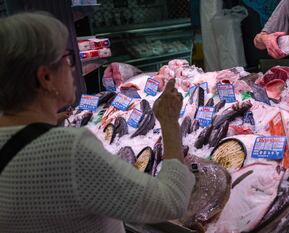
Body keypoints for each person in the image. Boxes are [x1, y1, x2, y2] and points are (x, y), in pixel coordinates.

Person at [0, 12, 195, 233]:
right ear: (45, 77)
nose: (72, 68)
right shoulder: (69, 150)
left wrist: (41, 127)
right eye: (67, 59)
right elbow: (170, 201)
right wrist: (169, 123)